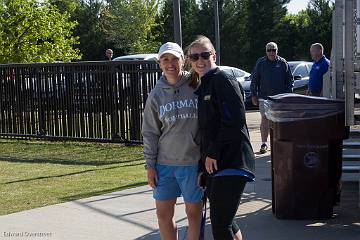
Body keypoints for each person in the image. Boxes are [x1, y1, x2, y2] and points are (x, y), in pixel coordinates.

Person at [188, 36, 255, 240]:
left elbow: (235, 120)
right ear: (190, 60)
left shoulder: (223, 79)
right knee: (226, 220)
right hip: (216, 166)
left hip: (232, 161)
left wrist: (213, 153)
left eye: (204, 55)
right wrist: (203, 167)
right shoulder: (204, 85)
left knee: (220, 225)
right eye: (194, 56)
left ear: (214, 55)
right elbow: (208, 130)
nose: (200, 60)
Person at [142, 42, 203, 240]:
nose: (170, 64)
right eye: (165, 59)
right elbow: (150, 133)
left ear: (183, 61)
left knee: (194, 215)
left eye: (175, 59)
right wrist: (150, 166)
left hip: (193, 163)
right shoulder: (155, 95)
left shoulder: (196, 85)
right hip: (164, 165)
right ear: (159, 64)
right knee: (163, 215)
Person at [250, 42, 293, 154]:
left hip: (279, 98)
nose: (271, 52)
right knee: (265, 119)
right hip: (264, 97)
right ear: (266, 51)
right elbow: (254, 79)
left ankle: (279, 143)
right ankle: (264, 143)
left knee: (278, 120)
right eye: (269, 50)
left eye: (273, 50)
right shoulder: (261, 63)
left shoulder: (283, 63)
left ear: (277, 51)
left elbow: (290, 80)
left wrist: (288, 94)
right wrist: (253, 94)